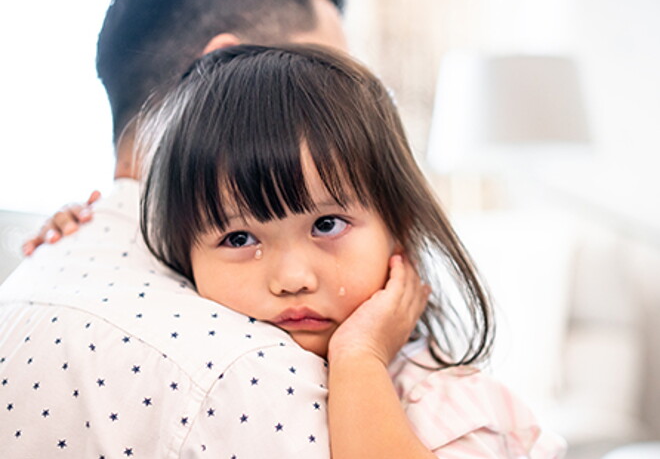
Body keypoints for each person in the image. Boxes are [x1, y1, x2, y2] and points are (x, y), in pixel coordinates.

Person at [136, 43, 566, 457]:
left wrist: (359, 357)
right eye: (239, 239)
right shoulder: (234, 381)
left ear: (399, 228)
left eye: (326, 225)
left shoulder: (442, 400)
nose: (292, 279)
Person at [0, 0, 349, 457]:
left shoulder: (26, 289)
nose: (348, 114)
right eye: (323, 81)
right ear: (225, 70)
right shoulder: (259, 374)